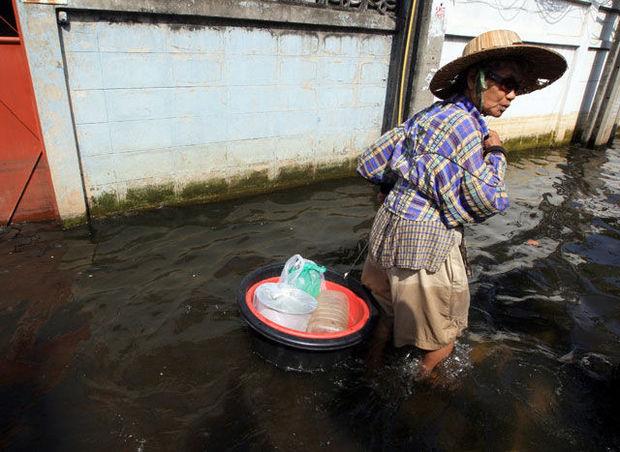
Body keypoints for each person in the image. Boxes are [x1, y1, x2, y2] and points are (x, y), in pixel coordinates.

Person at [357, 30, 567, 375]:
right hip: (424, 243)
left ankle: (372, 371)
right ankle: (425, 394)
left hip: (388, 228)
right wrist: (497, 152)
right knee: (443, 337)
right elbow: (490, 200)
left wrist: (390, 186)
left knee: (386, 313)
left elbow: (373, 160)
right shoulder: (469, 129)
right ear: (476, 77)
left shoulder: (431, 114)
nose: (513, 95)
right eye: (507, 83)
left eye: (519, 88)